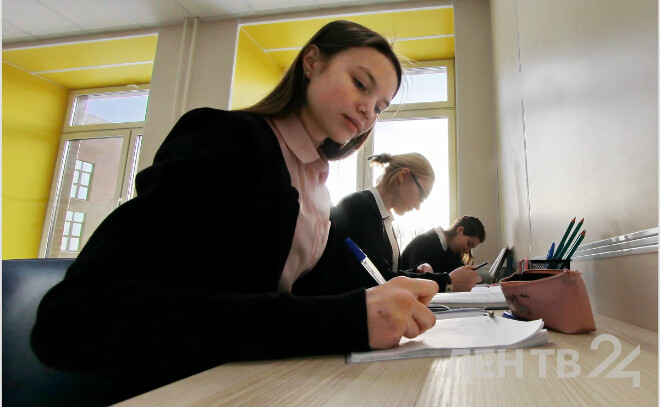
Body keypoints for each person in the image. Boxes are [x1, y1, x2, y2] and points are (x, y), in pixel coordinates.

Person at [30, 20, 439, 403]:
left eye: (380, 106)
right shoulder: (227, 141)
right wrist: (346, 319)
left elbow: (295, 301)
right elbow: (74, 318)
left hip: (257, 385)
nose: (368, 110)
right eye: (360, 84)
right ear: (312, 62)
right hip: (178, 390)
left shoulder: (317, 187)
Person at [331, 153, 460, 292]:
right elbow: (376, 279)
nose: (418, 206)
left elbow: (386, 273)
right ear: (403, 176)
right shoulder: (359, 207)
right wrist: (446, 281)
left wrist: (416, 272)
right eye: (421, 196)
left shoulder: (382, 216)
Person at [401, 215, 485, 291]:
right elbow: (417, 282)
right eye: (469, 244)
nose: (467, 251)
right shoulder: (424, 242)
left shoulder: (452, 252)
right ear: (460, 230)